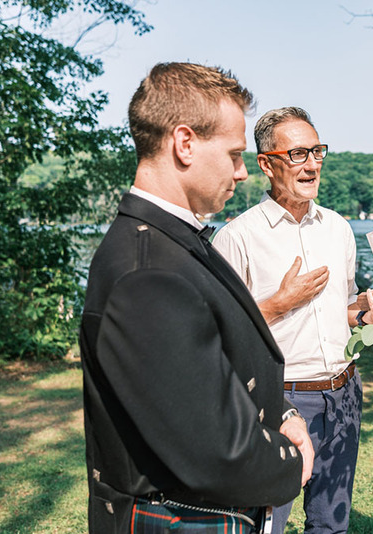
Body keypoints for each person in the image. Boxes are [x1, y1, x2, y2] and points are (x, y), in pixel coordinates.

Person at [79, 63, 314, 534]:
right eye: (233, 155)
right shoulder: (147, 273)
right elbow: (215, 449)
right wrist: (292, 463)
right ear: (184, 143)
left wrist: (283, 412)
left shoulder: (176, 241)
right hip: (180, 519)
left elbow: (221, 360)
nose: (244, 172)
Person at [212, 106, 373, 534]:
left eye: (317, 151)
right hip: (281, 401)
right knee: (266, 522)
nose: (312, 164)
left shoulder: (338, 229)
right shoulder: (237, 237)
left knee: (331, 524)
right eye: (297, 154)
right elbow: (219, 334)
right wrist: (279, 302)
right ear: (266, 163)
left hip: (344, 392)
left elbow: (345, 309)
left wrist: (368, 311)